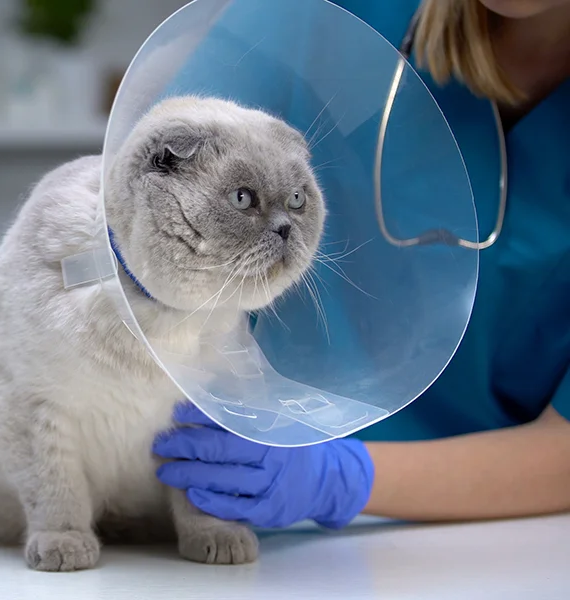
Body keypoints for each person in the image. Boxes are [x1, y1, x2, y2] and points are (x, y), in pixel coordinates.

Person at [153, 0, 570, 530]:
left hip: (493, 531)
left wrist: (341, 477)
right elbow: (147, 196)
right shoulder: (324, 14)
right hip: (214, 487)